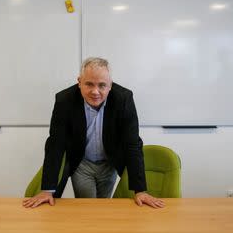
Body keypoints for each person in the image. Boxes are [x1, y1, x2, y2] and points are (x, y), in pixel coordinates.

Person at [23, 57, 164, 209]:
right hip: (81, 162)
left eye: (102, 85)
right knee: (87, 208)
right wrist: (47, 190)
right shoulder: (64, 100)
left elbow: (132, 144)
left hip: (109, 162)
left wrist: (140, 190)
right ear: (79, 82)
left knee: (104, 207)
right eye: (89, 84)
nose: (95, 91)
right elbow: (55, 144)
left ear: (110, 85)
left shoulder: (124, 99)